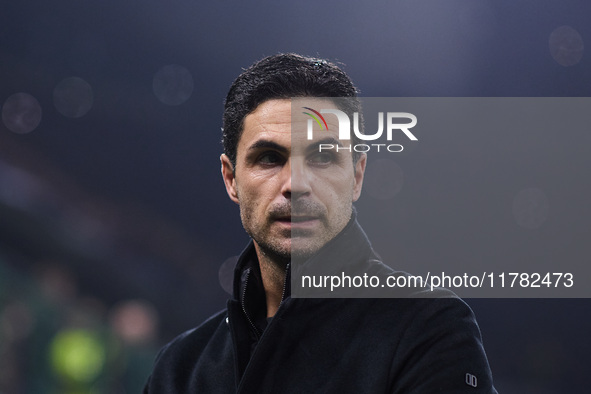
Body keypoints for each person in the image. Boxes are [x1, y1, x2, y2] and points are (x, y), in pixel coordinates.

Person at [143, 53, 497, 393]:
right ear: (231, 179)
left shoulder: (429, 330)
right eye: (269, 158)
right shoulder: (179, 368)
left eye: (323, 156)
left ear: (357, 176)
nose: (295, 184)